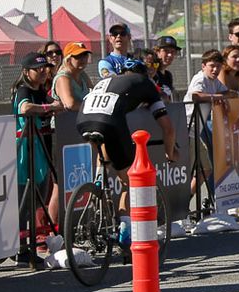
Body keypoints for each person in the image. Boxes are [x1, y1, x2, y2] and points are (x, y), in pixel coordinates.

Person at [77, 58, 178, 219]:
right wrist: (170, 154)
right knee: (130, 180)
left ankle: (98, 181)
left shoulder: (109, 79)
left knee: (105, 147)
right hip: (109, 122)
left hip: (82, 120)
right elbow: (168, 128)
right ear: (145, 75)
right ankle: (125, 227)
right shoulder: (146, 83)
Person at [13, 52, 65, 268]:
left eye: (45, 68)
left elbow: (59, 104)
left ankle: (28, 246)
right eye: (38, 69)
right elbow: (24, 108)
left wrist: (51, 105)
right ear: (27, 72)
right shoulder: (24, 89)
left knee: (36, 198)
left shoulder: (41, 91)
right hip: (24, 149)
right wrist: (48, 108)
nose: (44, 72)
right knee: (23, 200)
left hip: (40, 147)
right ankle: (22, 249)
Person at [184, 49, 229, 204]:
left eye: (218, 66)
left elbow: (225, 92)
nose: (215, 70)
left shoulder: (214, 81)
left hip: (196, 132)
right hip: (186, 129)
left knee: (206, 169)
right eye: (211, 66)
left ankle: (184, 202)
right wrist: (216, 97)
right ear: (203, 66)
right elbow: (196, 96)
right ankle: (179, 207)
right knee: (188, 172)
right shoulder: (200, 78)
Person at [153, 35, 181, 101]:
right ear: (157, 52)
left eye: (172, 52)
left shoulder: (168, 75)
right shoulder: (152, 73)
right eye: (166, 51)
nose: (170, 55)